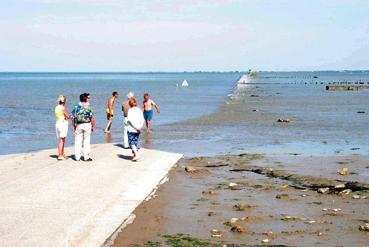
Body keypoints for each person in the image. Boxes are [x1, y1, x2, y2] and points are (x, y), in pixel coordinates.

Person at [71, 93, 95, 162]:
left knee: (77, 141)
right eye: (88, 98)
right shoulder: (88, 107)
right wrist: (93, 126)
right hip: (87, 124)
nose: (89, 99)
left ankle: (77, 157)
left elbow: (72, 117)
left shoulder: (77, 107)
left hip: (79, 125)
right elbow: (92, 118)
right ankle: (86, 157)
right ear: (85, 99)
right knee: (86, 141)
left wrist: (74, 126)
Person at [54, 95, 70, 160]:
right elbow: (68, 116)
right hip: (62, 123)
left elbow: (60, 115)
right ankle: (60, 155)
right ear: (64, 101)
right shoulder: (62, 108)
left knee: (60, 140)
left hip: (57, 123)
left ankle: (62, 154)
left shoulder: (56, 107)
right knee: (62, 140)